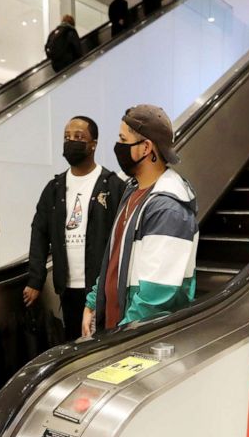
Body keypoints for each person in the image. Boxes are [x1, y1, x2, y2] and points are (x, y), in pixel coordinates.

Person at [83, 104, 198, 336]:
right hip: (120, 328)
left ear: (146, 147)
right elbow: (115, 257)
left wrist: (122, 338)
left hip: (142, 337)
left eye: (123, 139)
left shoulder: (168, 208)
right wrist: (93, 302)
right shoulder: (133, 190)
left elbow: (156, 295)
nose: (119, 147)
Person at [24, 116, 126, 341]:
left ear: (93, 143)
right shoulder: (55, 188)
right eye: (66, 137)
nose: (71, 141)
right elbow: (39, 233)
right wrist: (35, 279)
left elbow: (123, 236)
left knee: (102, 343)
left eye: (79, 137)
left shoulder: (112, 186)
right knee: (73, 343)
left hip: (102, 288)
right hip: (67, 287)